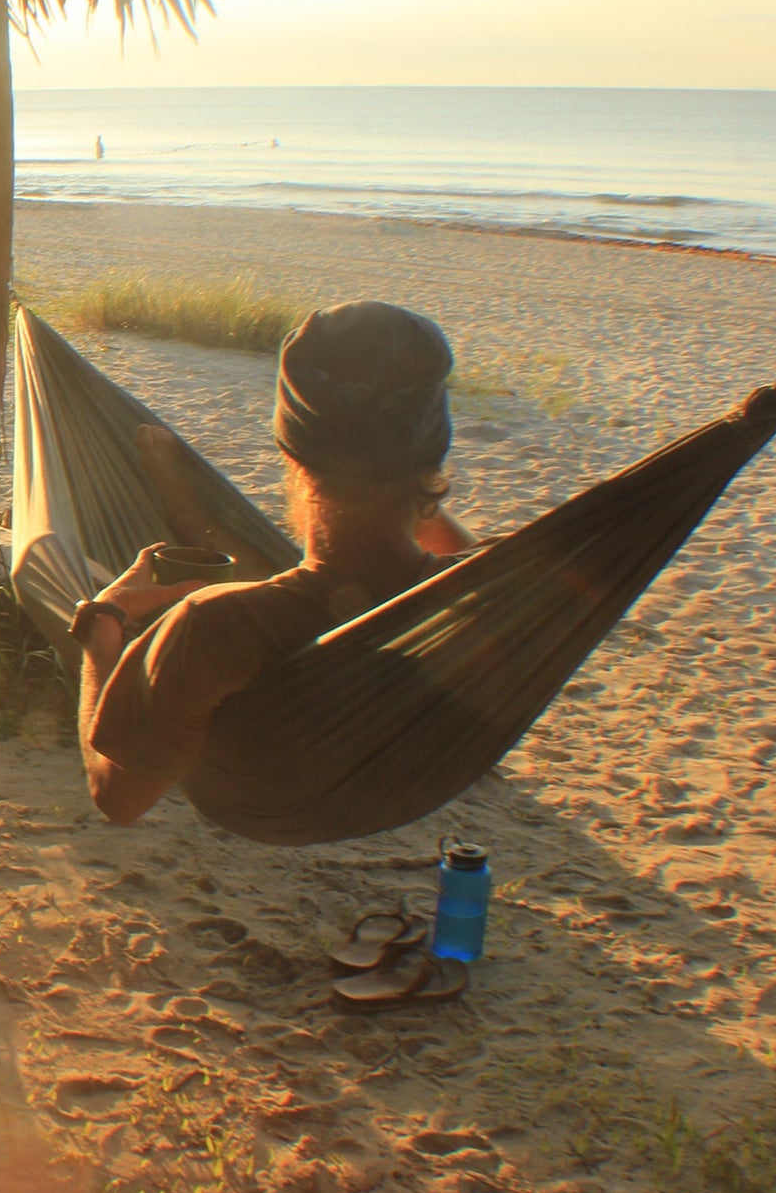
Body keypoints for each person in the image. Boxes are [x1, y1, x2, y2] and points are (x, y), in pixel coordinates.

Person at [75, 299, 478, 827]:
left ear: (290, 453)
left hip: (271, 797)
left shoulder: (216, 626)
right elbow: (457, 552)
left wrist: (102, 626)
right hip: (406, 786)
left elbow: (115, 797)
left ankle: (185, 509)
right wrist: (411, 474)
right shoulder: (491, 587)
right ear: (432, 458)